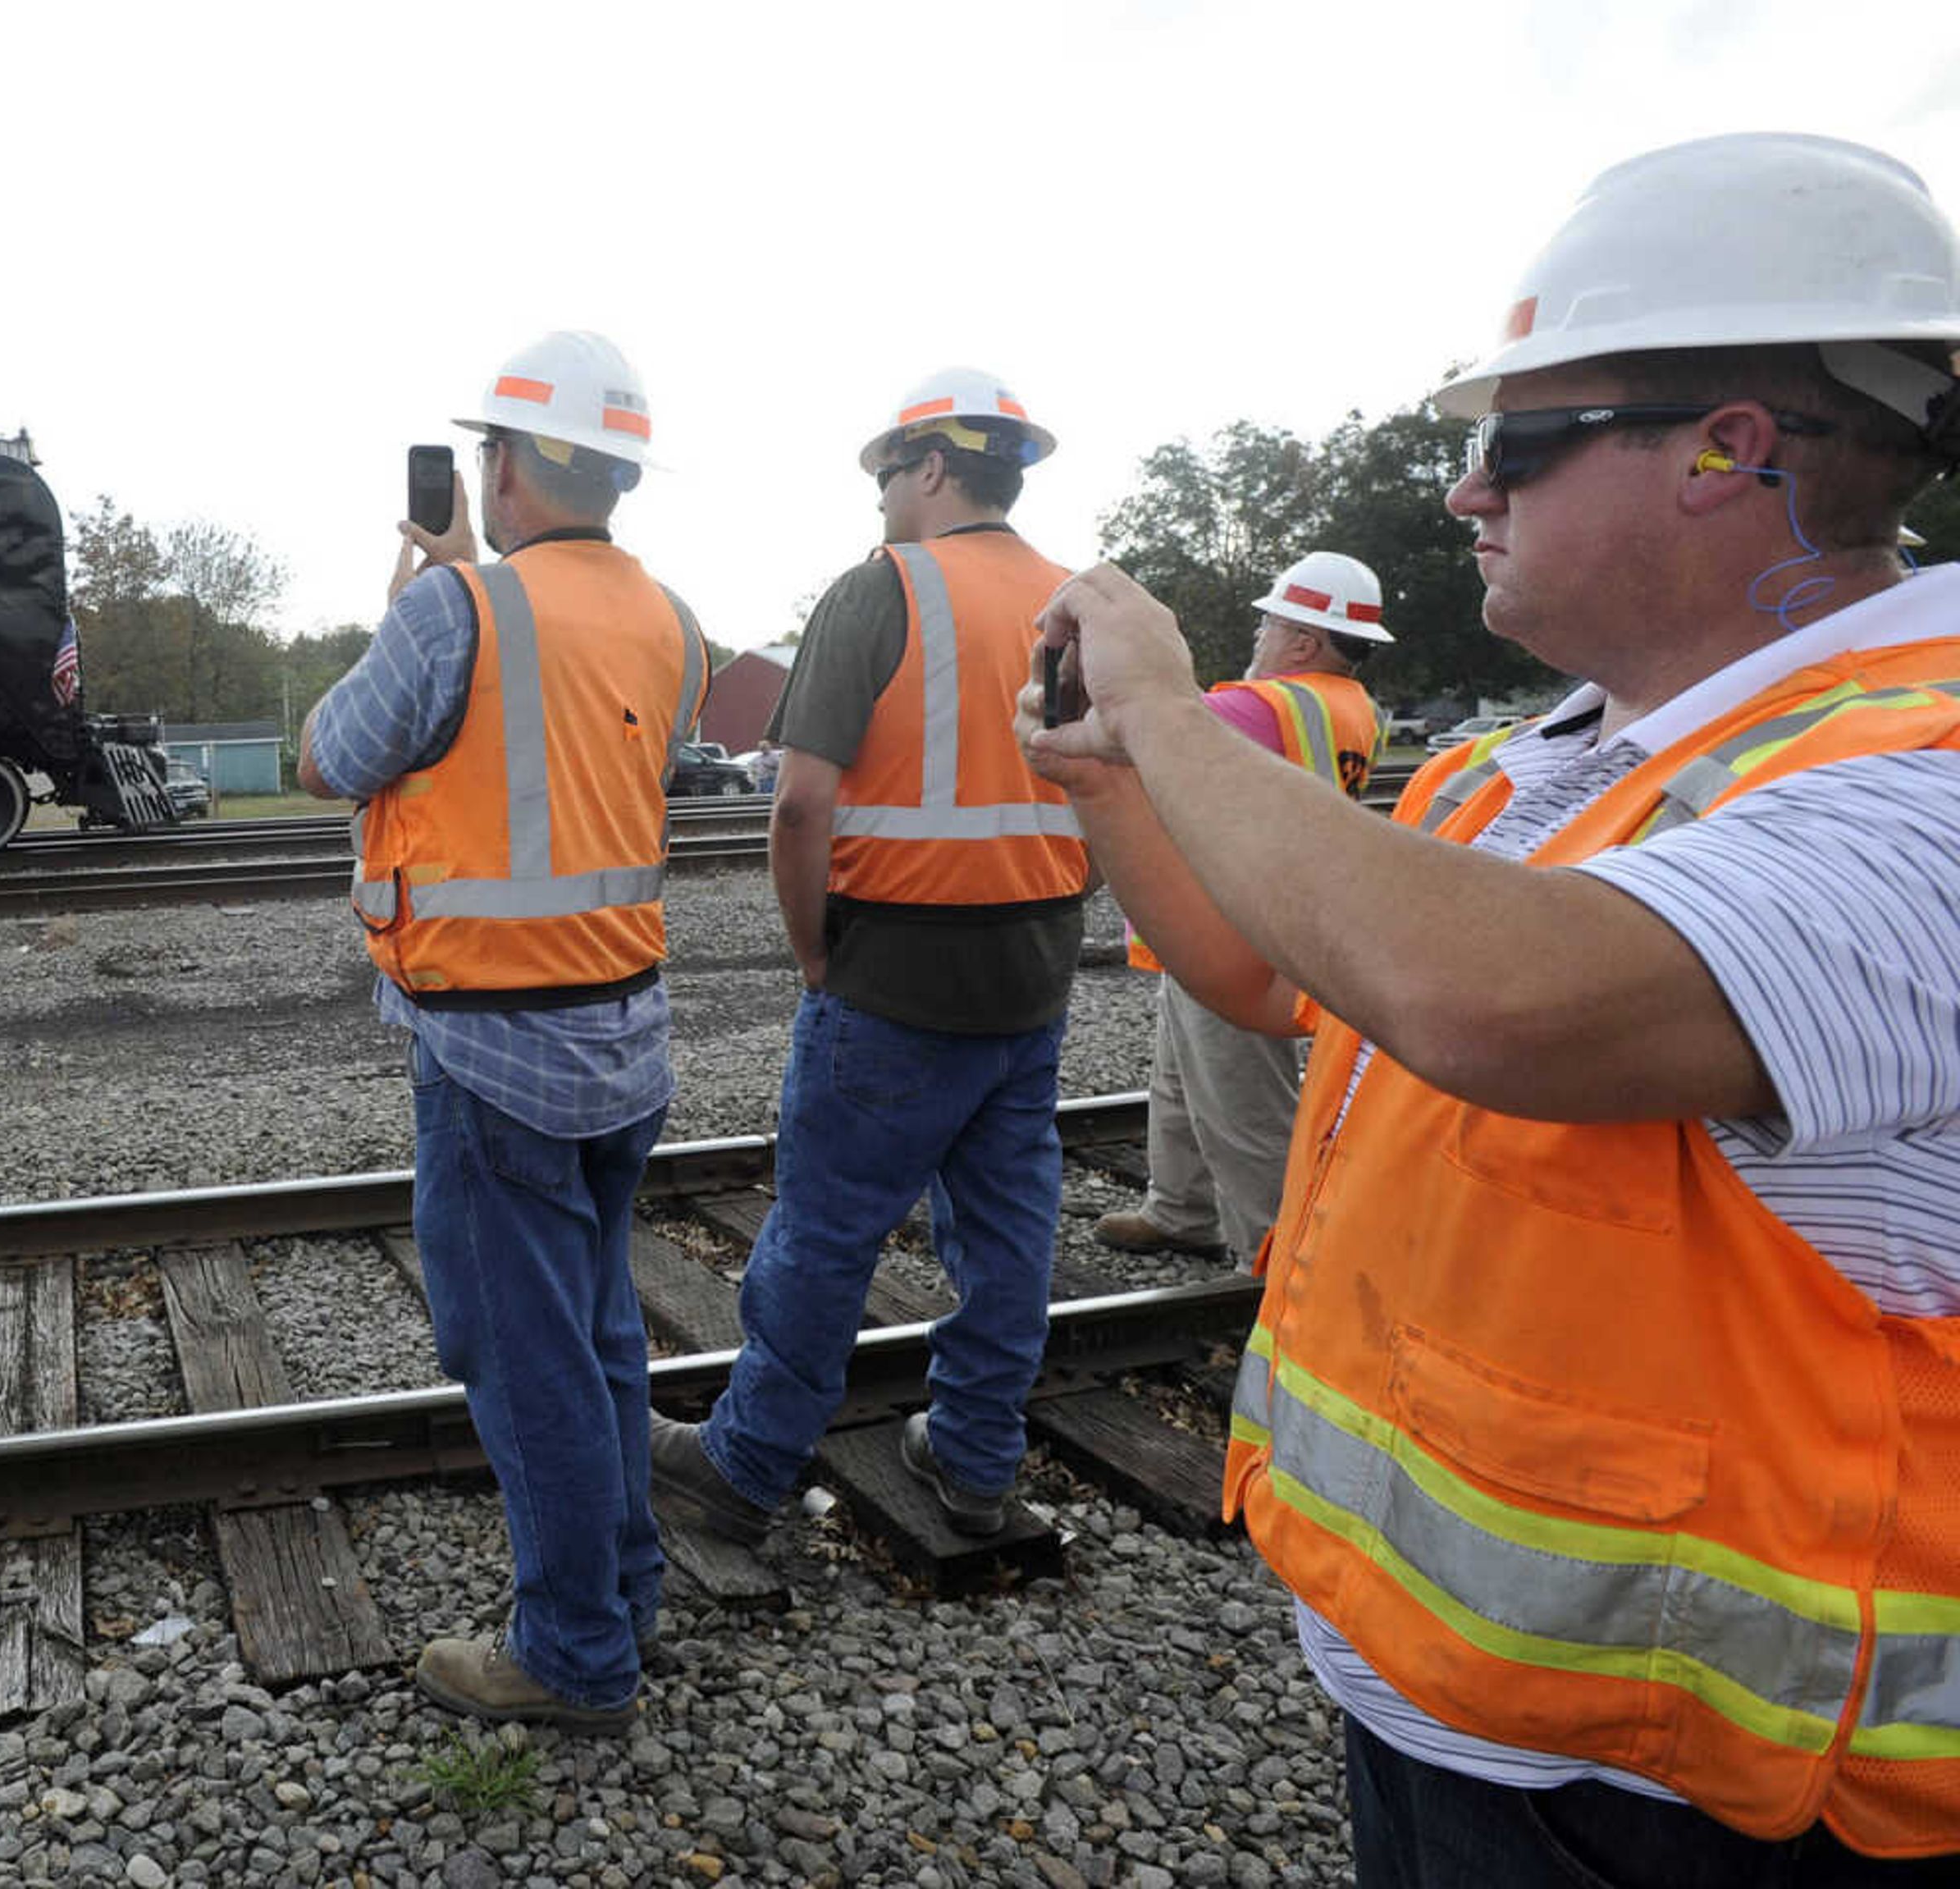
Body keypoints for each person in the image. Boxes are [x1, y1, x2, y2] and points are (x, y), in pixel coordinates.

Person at [1024, 132, 1960, 1878]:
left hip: (1702, 1797)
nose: (1463, 494)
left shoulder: (1925, 769)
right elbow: (1268, 977)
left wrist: (1162, 706)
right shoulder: (1527, 767)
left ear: (1726, 451)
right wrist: (1109, 785)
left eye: (1508, 447)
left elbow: (1489, 1001)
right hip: (1454, 1702)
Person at [297, 330, 707, 1732]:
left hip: (489, 1050)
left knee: (522, 1360)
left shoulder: (454, 609)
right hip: (622, 1033)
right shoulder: (671, 620)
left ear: (513, 465)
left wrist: (430, 584)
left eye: (488, 450)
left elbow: (327, 757)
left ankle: (576, 1654)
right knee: (595, 1337)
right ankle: (626, 1590)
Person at [650, 368, 1090, 1544]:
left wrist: (812, 954)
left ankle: (743, 1466)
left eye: (888, 473)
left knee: (823, 1234)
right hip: (1034, 977)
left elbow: (800, 807)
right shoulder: (1080, 599)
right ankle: (978, 1461)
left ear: (933, 466)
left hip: (892, 974)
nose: (883, 496)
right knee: (1008, 1238)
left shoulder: (880, 589)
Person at [1094, 550, 1390, 1264]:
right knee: (1178, 1077)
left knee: (1242, 1107)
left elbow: (1128, 736)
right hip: (1258, 916)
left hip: (1229, 927)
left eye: (1270, 620)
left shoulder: (1259, 706)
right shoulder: (1352, 708)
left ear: (1303, 641)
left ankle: (1276, 1257)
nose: (1258, 632)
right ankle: (1180, 1209)